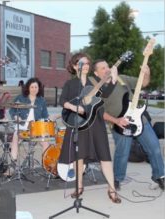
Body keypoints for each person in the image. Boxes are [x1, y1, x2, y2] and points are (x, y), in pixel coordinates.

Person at [58, 53, 120, 203]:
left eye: (87, 63)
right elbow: (63, 101)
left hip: (96, 122)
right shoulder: (70, 84)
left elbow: (106, 92)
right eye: (81, 63)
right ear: (74, 66)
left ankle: (112, 189)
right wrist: (74, 107)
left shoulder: (95, 81)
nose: (85, 66)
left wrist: (114, 79)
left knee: (105, 156)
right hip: (79, 123)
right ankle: (79, 187)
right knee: (79, 157)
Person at [96, 60, 165, 191]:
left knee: (154, 147)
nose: (107, 69)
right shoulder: (98, 90)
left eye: (107, 66)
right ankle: (116, 179)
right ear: (96, 73)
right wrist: (116, 121)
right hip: (120, 124)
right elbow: (100, 113)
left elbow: (143, 83)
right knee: (122, 153)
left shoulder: (122, 79)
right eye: (102, 68)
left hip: (140, 120)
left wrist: (147, 73)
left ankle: (160, 176)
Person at [8, 78, 50, 161]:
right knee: (15, 138)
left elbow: (45, 115)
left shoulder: (41, 100)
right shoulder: (20, 98)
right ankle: (12, 165)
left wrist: (47, 121)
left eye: (36, 87)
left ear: (39, 88)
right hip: (22, 126)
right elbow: (12, 110)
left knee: (46, 142)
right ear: (28, 88)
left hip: (36, 128)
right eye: (32, 87)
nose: (34, 89)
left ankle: (46, 166)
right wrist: (16, 117)